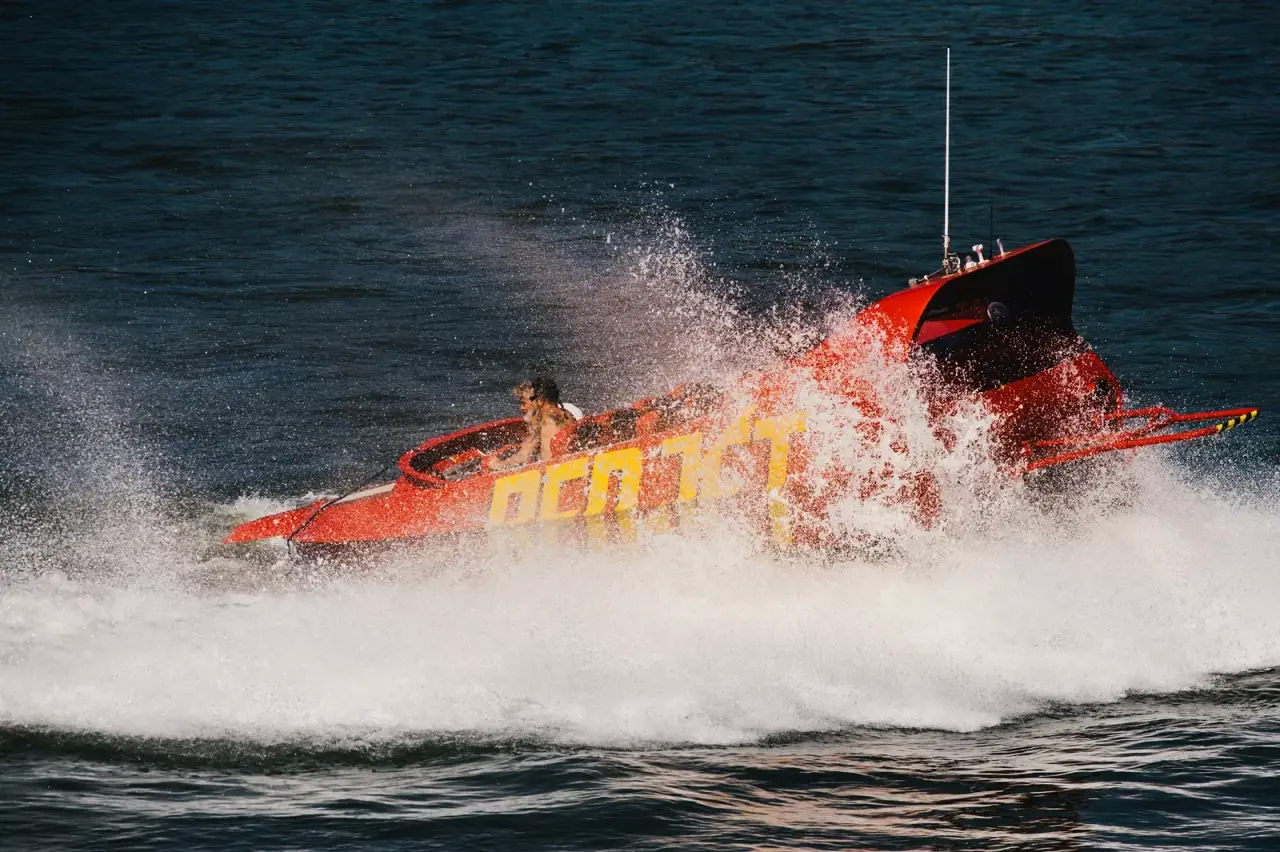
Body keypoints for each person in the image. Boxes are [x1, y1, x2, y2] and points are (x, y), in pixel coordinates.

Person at [487, 376, 577, 471]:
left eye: (532, 399)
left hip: (552, 474)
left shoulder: (544, 419)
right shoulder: (568, 415)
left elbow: (523, 456)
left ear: (540, 401)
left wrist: (496, 464)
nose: (531, 402)